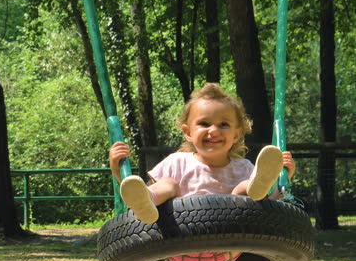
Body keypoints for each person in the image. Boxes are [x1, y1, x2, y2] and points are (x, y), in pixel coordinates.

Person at [109, 83, 296, 225]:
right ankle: (150, 199)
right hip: (180, 236)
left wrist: (283, 179)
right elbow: (136, 194)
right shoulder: (177, 162)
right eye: (204, 124)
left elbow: (271, 207)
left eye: (223, 125)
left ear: (236, 134)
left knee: (243, 188)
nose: (213, 130)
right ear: (188, 132)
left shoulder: (244, 167)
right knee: (168, 184)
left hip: (233, 238)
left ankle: (261, 185)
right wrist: (119, 173)